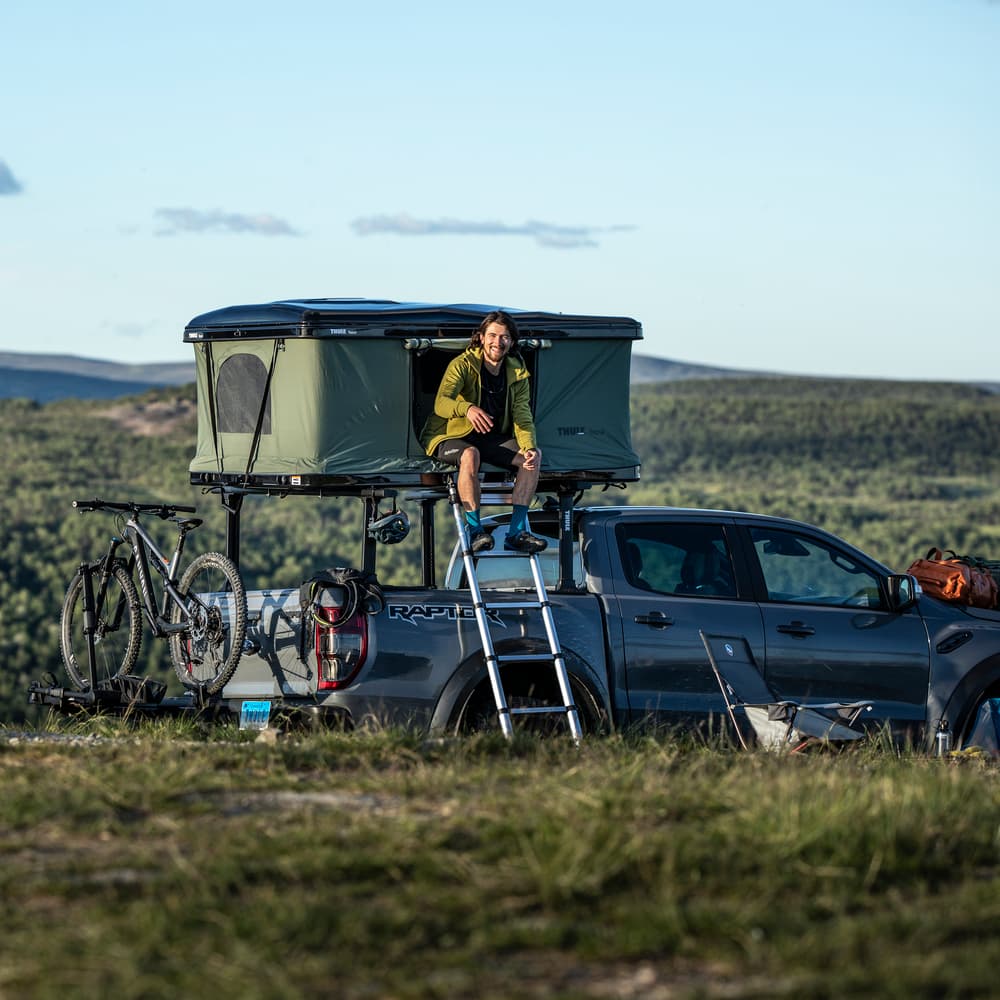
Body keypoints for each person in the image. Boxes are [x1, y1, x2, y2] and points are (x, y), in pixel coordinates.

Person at [420, 310, 548, 554]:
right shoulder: (462, 365)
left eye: (504, 337)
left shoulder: (517, 371)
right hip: (449, 435)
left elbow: (522, 415)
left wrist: (528, 446)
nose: (497, 342)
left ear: (511, 342)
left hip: (489, 437)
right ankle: (475, 531)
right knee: (470, 455)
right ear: (480, 337)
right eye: (492, 335)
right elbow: (441, 403)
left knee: (533, 459)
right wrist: (467, 409)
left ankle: (517, 532)